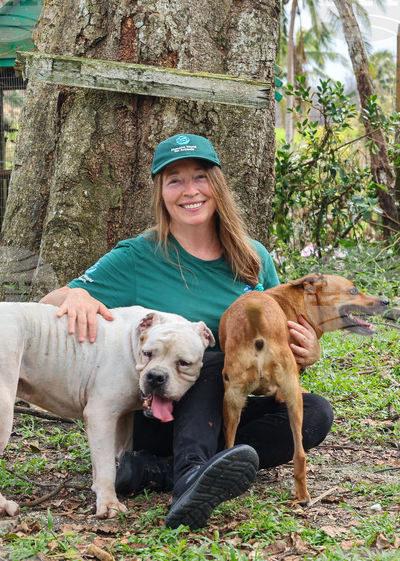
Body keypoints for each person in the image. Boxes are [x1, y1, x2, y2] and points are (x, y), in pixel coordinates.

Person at [39, 133, 333, 529]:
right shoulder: (137, 256)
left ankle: (156, 473)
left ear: (218, 185)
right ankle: (190, 476)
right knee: (210, 361)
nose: (189, 190)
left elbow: (274, 359)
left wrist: (307, 353)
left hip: (226, 408)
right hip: (158, 413)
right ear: (161, 192)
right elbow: (47, 305)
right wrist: (75, 297)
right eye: (174, 179)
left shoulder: (254, 258)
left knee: (314, 412)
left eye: (199, 176)